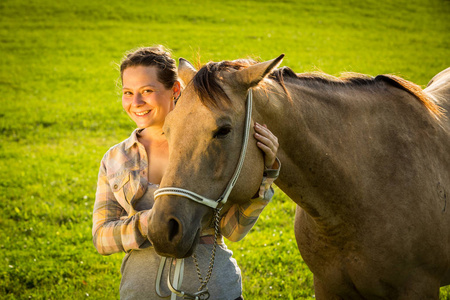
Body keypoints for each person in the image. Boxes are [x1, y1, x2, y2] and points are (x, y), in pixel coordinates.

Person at [92, 46, 280, 300]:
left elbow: (233, 230)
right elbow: (101, 237)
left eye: (147, 91)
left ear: (176, 90)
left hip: (213, 292)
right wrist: (149, 223)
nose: (136, 103)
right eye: (128, 93)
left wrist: (266, 177)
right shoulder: (115, 159)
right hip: (139, 294)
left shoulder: (206, 147)